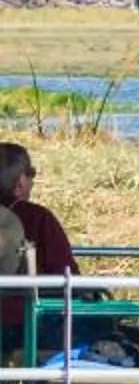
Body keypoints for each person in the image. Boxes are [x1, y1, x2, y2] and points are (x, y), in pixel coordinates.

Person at [0, 142, 78, 360]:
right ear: (20, 182)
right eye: (30, 175)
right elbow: (67, 275)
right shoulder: (37, 218)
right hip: (25, 327)